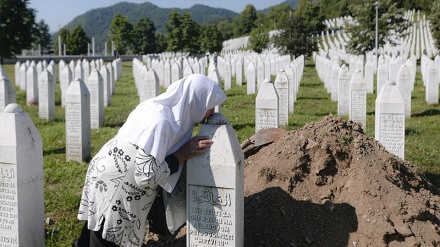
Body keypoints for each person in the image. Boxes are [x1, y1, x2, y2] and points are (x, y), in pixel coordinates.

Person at [73, 73, 227, 247]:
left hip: (106, 171)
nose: (212, 112)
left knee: (94, 231)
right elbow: (145, 175)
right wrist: (183, 154)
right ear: (196, 101)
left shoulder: (159, 108)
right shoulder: (162, 122)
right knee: (106, 238)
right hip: (117, 186)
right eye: (210, 107)